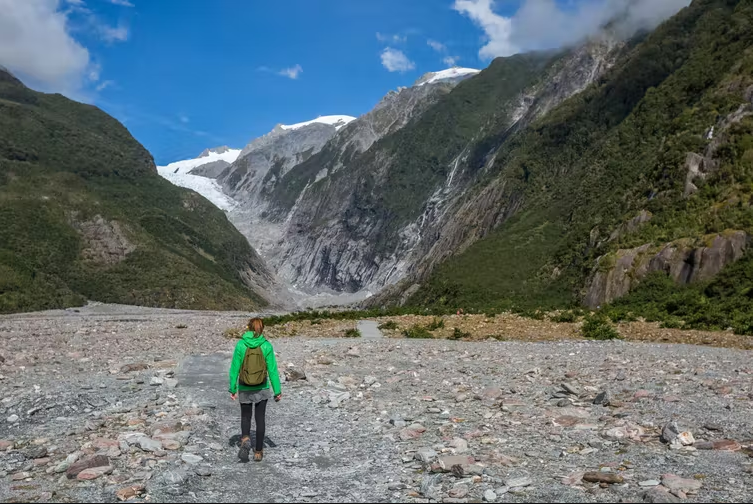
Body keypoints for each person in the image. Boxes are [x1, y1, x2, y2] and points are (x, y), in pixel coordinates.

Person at [228, 317, 281, 462]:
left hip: (244, 386)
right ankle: (258, 451)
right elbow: (272, 370)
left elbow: (234, 368)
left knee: (245, 416)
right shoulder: (267, 346)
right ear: (262, 329)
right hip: (262, 386)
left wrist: (232, 388)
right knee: (260, 419)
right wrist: (277, 391)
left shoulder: (240, 345)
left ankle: (245, 439)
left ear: (248, 328)